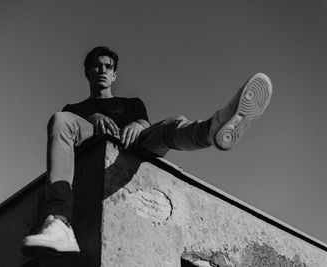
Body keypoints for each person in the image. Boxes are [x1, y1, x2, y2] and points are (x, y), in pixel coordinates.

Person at [22, 46, 272, 254]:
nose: (102, 70)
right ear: (87, 72)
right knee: (60, 119)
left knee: (169, 125)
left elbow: (145, 124)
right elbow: (67, 130)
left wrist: (138, 123)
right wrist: (93, 115)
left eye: (108, 67)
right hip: (92, 139)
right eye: (97, 65)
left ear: (114, 75)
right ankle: (59, 222)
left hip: (137, 142)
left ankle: (210, 129)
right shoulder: (74, 108)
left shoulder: (131, 103)